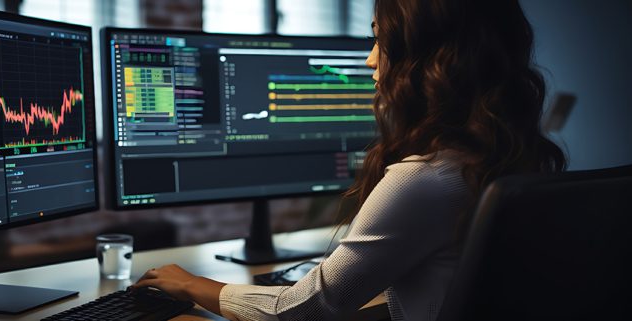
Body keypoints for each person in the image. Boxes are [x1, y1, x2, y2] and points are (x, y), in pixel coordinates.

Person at [131, 0, 566, 320]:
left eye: (380, 39)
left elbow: (302, 310)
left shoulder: (425, 179)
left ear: (429, 59)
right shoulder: (512, 159)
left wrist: (191, 284)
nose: (370, 58)